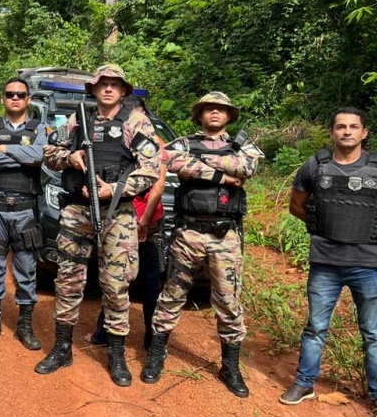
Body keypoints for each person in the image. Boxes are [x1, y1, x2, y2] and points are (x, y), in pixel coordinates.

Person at [279, 107, 377, 417]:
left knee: (372, 332)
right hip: (324, 262)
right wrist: (324, 230)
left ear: (364, 133)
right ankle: (304, 384)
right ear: (332, 132)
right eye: (341, 127)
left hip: (365, 264)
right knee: (315, 328)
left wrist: (373, 235)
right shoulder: (315, 164)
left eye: (354, 127)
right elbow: (297, 206)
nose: (347, 132)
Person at [36, 65, 162, 386]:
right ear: (93, 89)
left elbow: (151, 168)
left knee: (116, 284)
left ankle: (116, 353)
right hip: (77, 210)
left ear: (123, 90)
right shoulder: (78, 120)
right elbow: (48, 151)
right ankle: (63, 347)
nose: (108, 89)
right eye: (102, 84)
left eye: (114, 85)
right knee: (68, 279)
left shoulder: (136, 122)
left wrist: (115, 189)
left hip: (117, 213)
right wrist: (71, 157)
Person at [141, 92, 263, 397]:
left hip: (226, 236)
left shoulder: (242, 144)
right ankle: (157, 356)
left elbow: (248, 166)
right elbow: (172, 162)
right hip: (188, 233)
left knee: (228, 301)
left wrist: (204, 164)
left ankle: (230, 366)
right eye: (209, 108)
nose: (214, 113)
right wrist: (223, 175)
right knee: (171, 296)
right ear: (200, 114)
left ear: (229, 115)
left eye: (221, 109)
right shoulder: (183, 142)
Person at [88, 96, 167, 351]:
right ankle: (104, 331)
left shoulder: (154, 143)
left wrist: (143, 223)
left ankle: (152, 339)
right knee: (115, 278)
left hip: (147, 221)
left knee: (149, 279)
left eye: (138, 116)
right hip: (118, 216)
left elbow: (156, 189)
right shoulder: (109, 137)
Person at [0, 78, 48, 350]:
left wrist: (5, 149)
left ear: (28, 99)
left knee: (27, 268)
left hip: (26, 208)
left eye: (20, 94)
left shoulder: (39, 127)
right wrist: (23, 155)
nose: (15, 98)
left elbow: (40, 156)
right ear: (2, 98)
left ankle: (24, 326)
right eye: (10, 94)